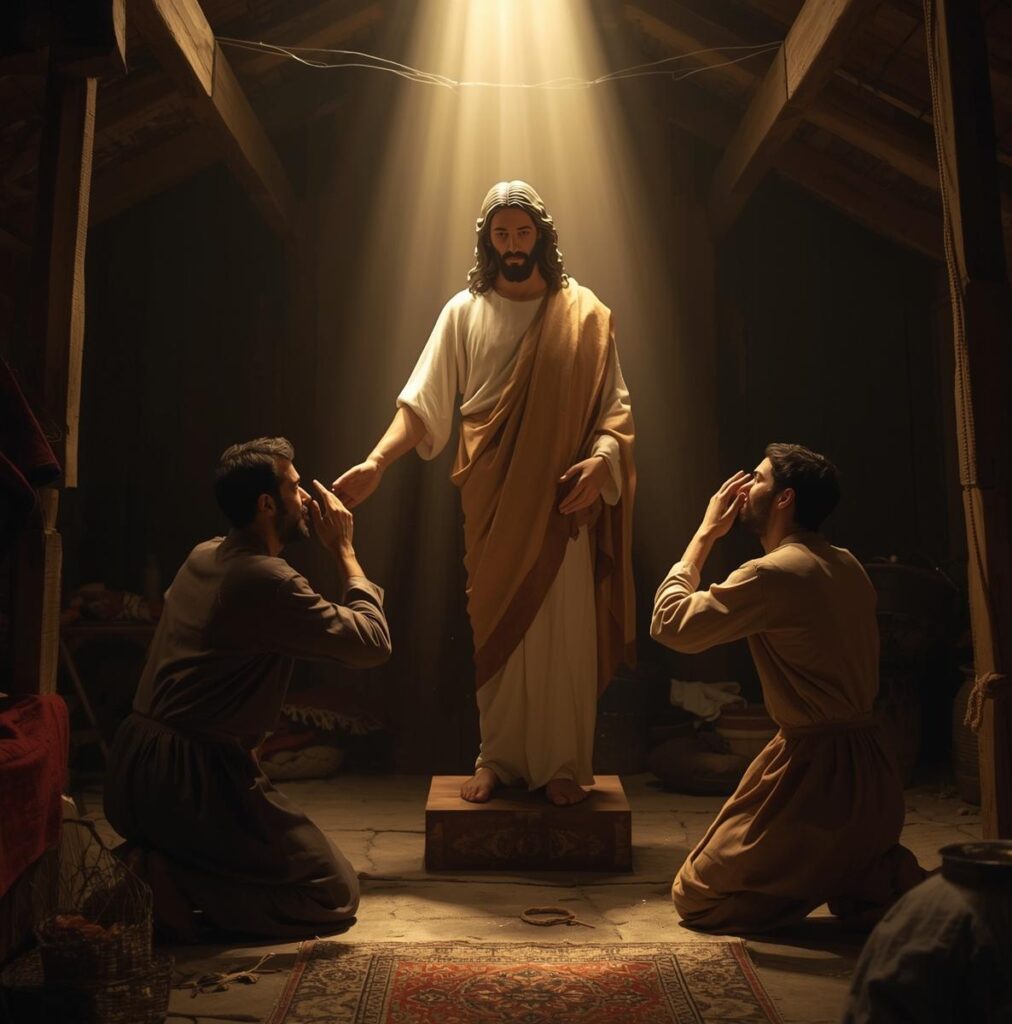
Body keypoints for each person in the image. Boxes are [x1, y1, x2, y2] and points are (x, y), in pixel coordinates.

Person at [333, 180, 635, 806]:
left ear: (542, 236)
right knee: (496, 626)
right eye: (501, 234)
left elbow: (616, 409)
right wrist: (375, 462)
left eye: (523, 233)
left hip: (562, 508)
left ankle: (561, 764)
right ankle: (496, 756)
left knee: (562, 633)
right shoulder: (463, 313)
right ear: (487, 240)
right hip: (494, 503)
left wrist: (603, 460)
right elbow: (422, 404)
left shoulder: (584, 314)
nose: (513, 245)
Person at [104, 437, 391, 940]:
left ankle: (162, 860)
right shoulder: (267, 579)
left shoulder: (203, 554)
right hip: (192, 782)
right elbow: (372, 643)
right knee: (332, 891)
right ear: (267, 504)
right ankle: (166, 880)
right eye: (296, 487)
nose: (306, 499)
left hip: (131, 771)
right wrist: (345, 550)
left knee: (273, 857)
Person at [650, 443, 923, 933]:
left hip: (819, 775)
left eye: (756, 478)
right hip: (876, 777)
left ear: (784, 499)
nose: (741, 487)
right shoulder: (847, 564)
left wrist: (705, 533)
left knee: (695, 897)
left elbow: (670, 624)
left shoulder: (772, 573)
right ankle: (861, 871)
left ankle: (826, 871)